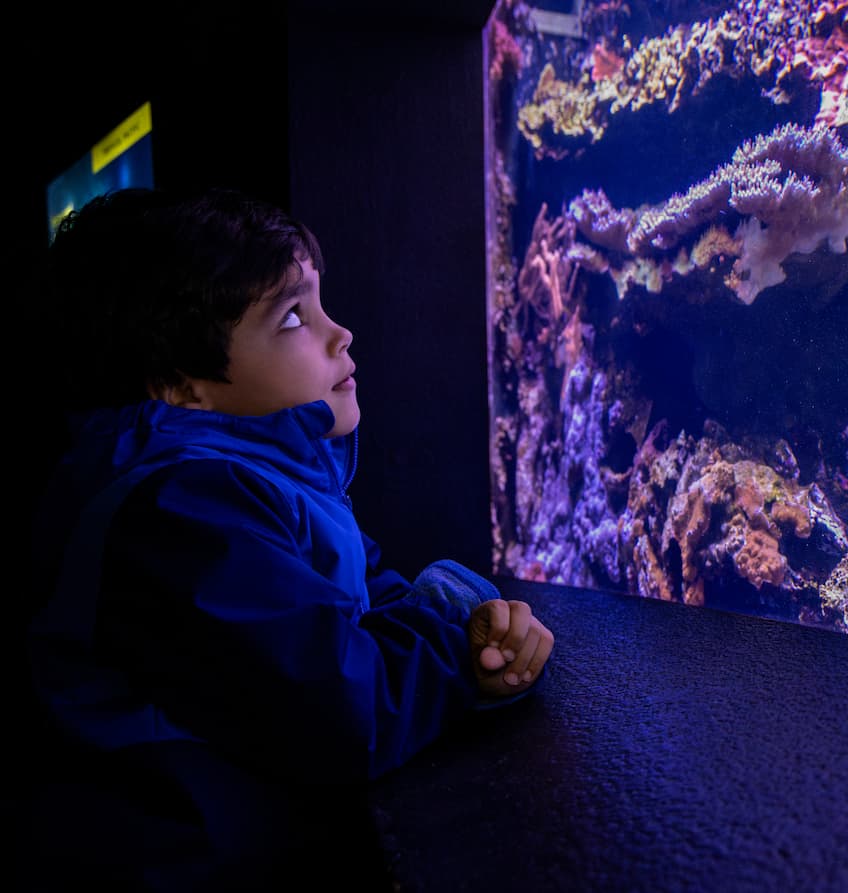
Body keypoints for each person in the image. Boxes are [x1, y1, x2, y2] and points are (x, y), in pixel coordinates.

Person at [20, 186, 554, 891]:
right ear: (182, 382)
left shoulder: (260, 475)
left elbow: (362, 599)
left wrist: (472, 621)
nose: (341, 334)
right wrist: (463, 651)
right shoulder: (177, 511)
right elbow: (338, 709)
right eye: (294, 315)